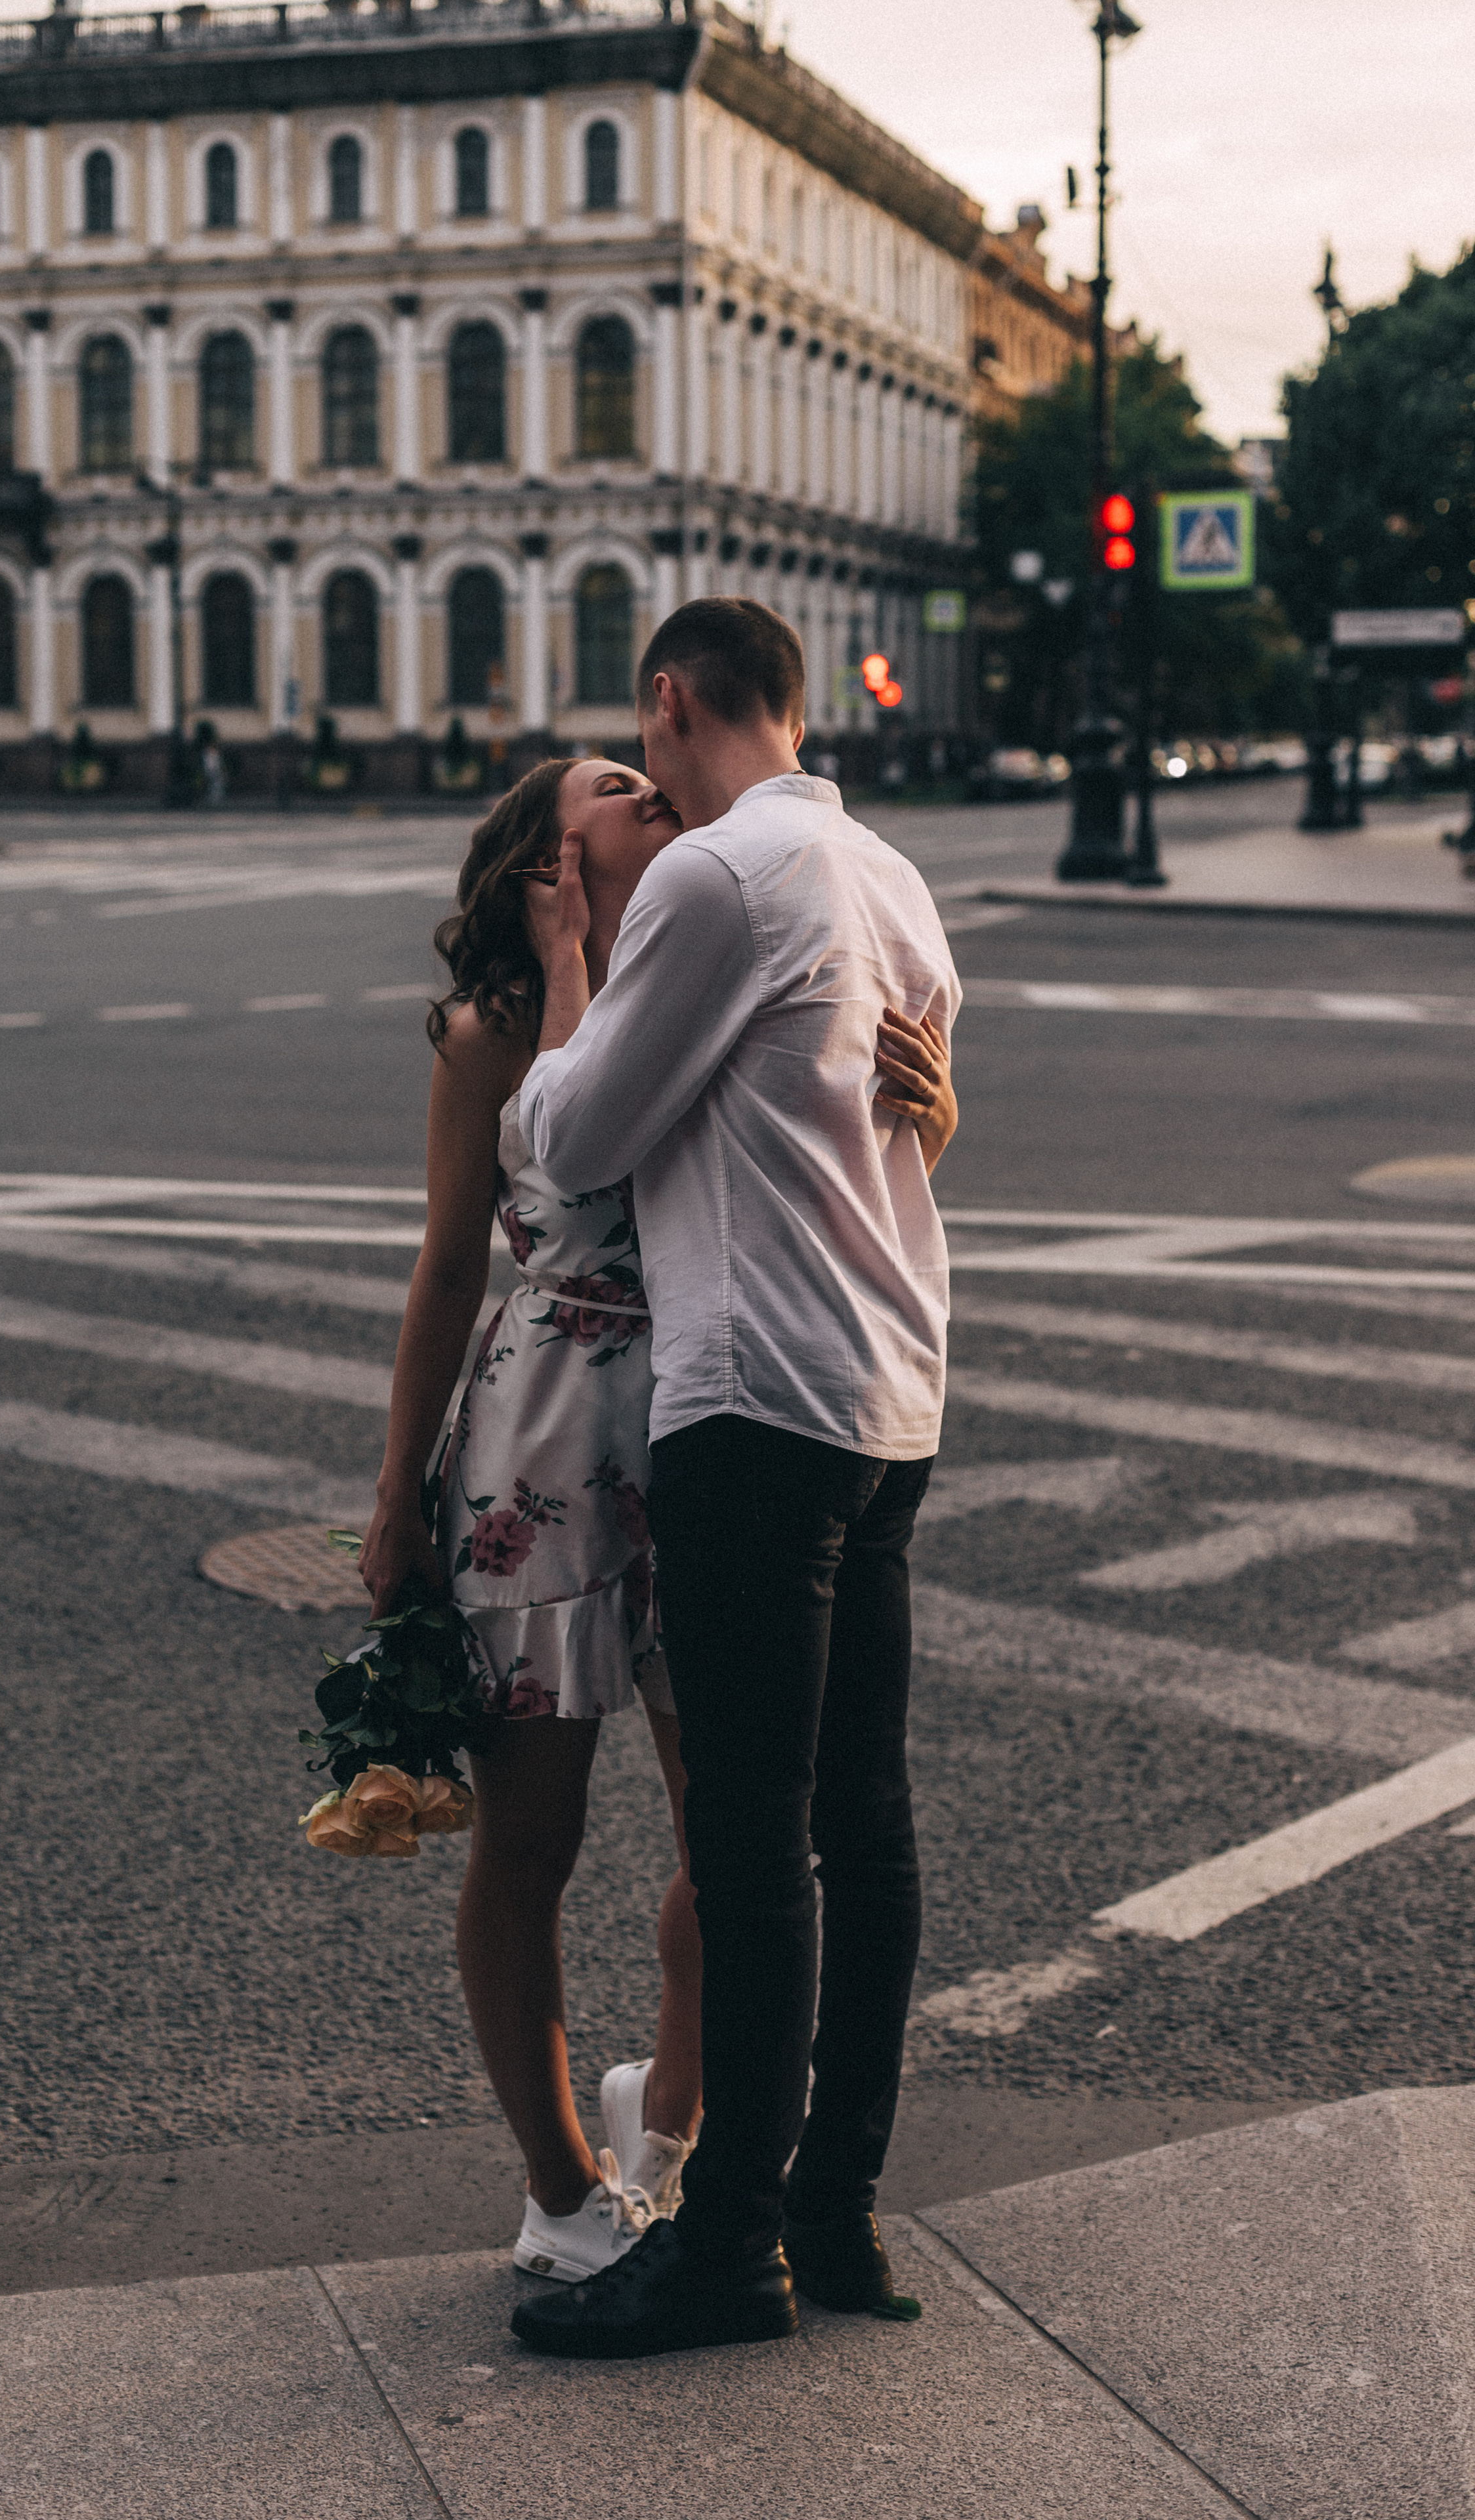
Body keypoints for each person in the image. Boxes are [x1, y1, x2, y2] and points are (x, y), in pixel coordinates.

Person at [356, 749, 954, 2296]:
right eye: (614, 788)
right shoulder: (494, 1031)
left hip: (718, 1429)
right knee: (529, 1837)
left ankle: (671, 2128)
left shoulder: (714, 961)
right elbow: (447, 1265)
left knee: (732, 1827)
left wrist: (931, 1117)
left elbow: (834, 1167)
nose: (652, 795)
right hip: (541, 1440)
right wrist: (390, 1494)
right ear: (551, 862)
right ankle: (558, 2185)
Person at [509, 598, 962, 2360]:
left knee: (754, 1840)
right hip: (890, 1392)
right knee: (869, 1820)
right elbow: (902, 1118)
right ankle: (839, 2209)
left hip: (755, 1399)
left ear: (675, 700)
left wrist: (569, 981)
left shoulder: (717, 878)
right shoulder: (893, 881)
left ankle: (730, 2253)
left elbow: (575, 1132)